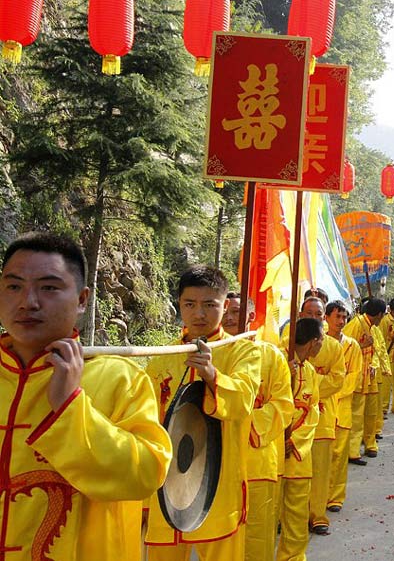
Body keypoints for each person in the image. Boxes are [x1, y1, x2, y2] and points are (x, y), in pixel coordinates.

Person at [0, 232, 172, 560]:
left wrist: (69, 406)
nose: (28, 301)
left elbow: (145, 475)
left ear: (82, 300)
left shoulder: (119, 378)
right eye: (14, 286)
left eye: (49, 287)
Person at [145, 265, 262, 559]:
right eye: (190, 304)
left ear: (225, 306)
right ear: (179, 306)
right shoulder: (162, 358)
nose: (199, 314)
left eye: (209, 305)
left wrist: (211, 375)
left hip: (218, 482)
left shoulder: (242, 351)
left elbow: (243, 400)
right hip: (167, 482)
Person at [221, 293, 294, 561]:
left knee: (257, 536)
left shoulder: (271, 356)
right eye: (225, 311)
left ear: (251, 316)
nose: (229, 318)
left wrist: (243, 422)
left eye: (236, 311)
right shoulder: (209, 354)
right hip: (218, 460)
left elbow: (283, 405)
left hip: (258, 458)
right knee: (222, 539)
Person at [276, 318, 323, 561]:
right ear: (314, 342)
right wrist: (277, 438)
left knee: (296, 515)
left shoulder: (311, 371)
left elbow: (313, 411)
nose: (321, 346)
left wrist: (293, 441)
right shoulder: (277, 361)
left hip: (297, 453)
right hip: (272, 453)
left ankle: (292, 557)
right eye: (321, 341)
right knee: (265, 514)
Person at [302, 296, 346, 535]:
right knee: (294, 470)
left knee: (320, 469)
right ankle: (288, 515)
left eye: (318, 314)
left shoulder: (333, 347)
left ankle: (317, 515)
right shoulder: (288, 342)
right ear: (301, 315)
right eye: (309, 313)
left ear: (323, 318)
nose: (314, 318)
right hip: (295, 416)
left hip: (323, 414)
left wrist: (308, 382)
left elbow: (337, 379)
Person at [326, 301, 364, 512]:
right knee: (321, 455)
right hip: (321, 409)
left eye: (344, 317)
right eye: (337, 317)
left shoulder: (353, 346)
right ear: (327, 318)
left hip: (341, 407)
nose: (341, 321)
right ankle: (319, 496)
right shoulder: (319, 343)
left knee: (339, 455)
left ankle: (335, 497)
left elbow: (354, 377)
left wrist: (333, 393)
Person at [343, 298, 386, 464]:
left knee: (371, 412)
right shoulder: (356, 324)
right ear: (380, 314)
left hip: (371, 375)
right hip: (358, 376)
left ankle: (370, 444)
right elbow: (343, 348)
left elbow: (377, 349)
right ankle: (353, 451)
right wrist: (361, 346)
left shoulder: (372, 327)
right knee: (356, 415)